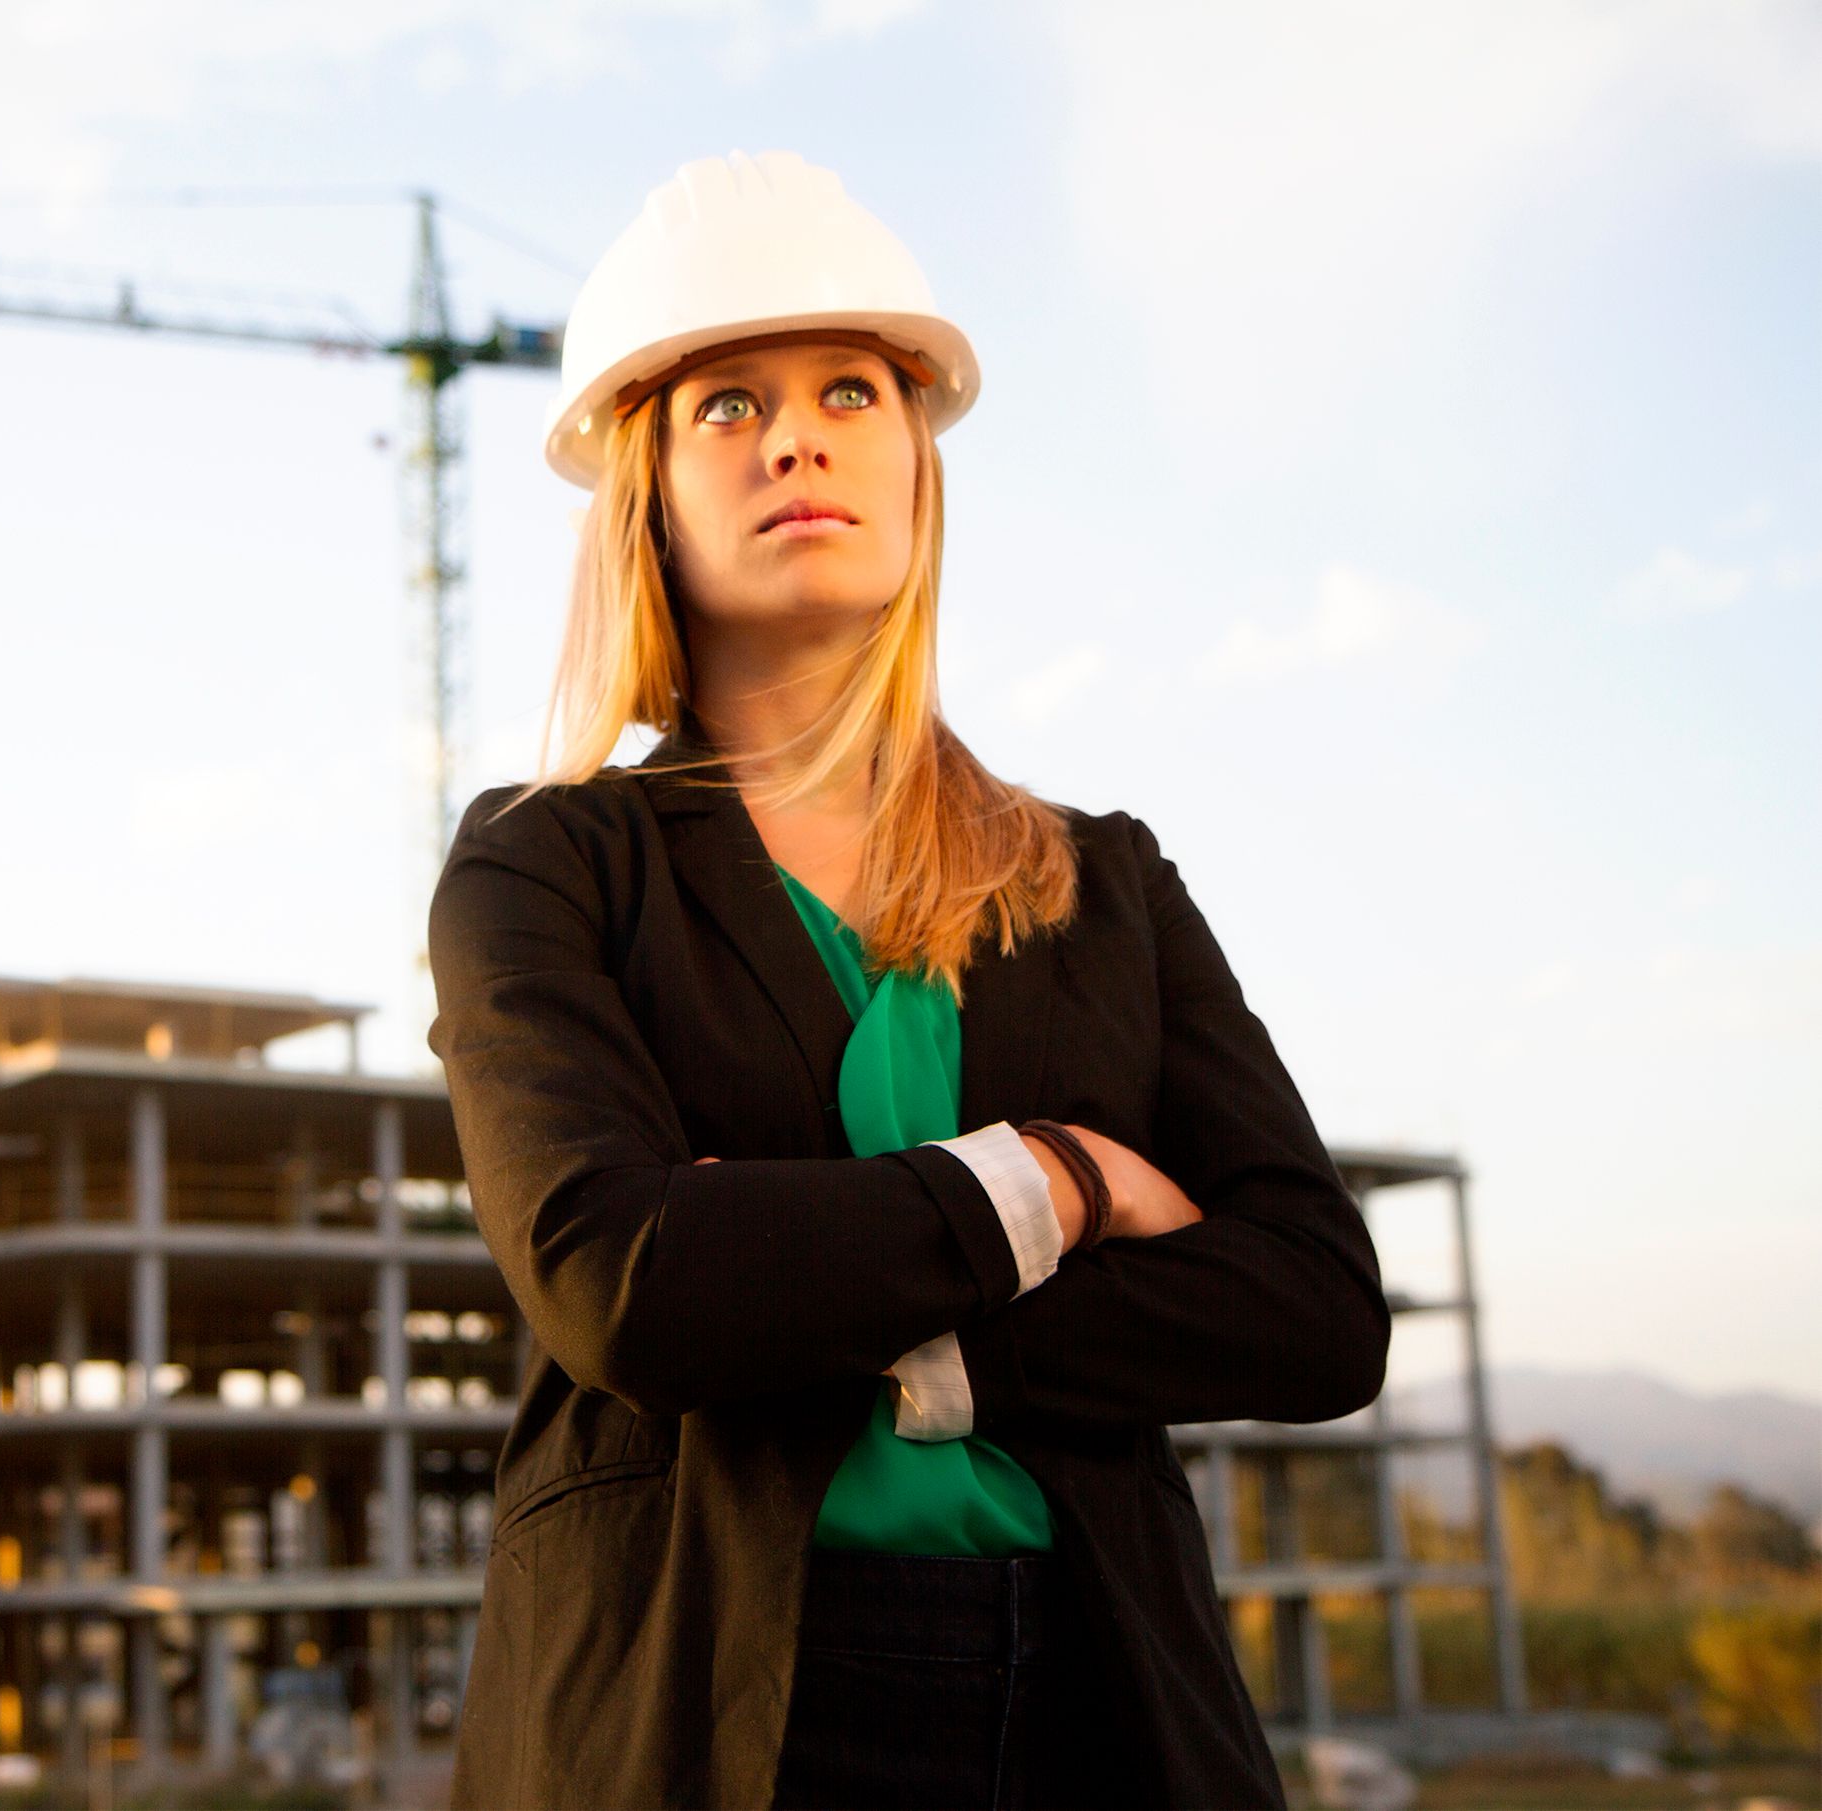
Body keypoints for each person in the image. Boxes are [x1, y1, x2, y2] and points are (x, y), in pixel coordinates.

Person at [424, 151, 1390, 1809]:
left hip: (1098, 1700)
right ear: (644, 490)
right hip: (704, 1711)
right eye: (726, 405)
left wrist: (850, 1304)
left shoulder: (1104, 879)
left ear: (919, 462)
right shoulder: (544, 862)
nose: (797, 434)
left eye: (849, 389)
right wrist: (1056, 1179)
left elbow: (1313, 1307)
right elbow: (624, 1283)